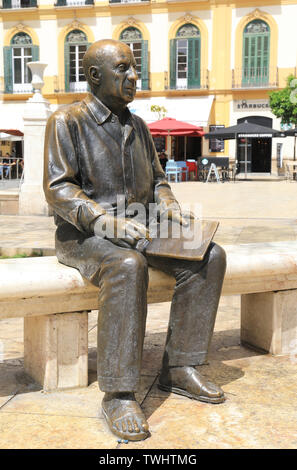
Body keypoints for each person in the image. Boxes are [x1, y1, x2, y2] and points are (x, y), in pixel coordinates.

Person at [43, 39, 226, 442]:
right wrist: (106, 222)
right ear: (95, 76)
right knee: (128, 266)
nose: (133, 77)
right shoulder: (66, 121)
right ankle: (119, 393)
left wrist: (171, 207)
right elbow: (59, 190)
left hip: (143, 225)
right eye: (123, 69)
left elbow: (158, 182)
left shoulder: (138, 125)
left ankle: (179, 368)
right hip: (87, 235)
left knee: (210, 256)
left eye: (133, 69)